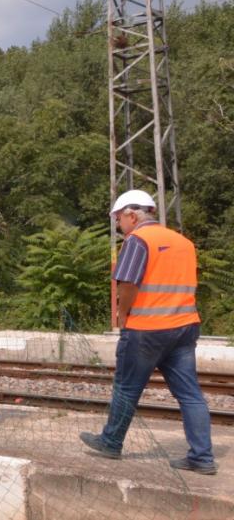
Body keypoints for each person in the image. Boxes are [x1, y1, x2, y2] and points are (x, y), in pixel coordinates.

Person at [79, 190, 216, 474]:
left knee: (126, 388)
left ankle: (111, 442)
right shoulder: (184, 242)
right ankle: (202, 457)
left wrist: (123, 314)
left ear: (132, 214)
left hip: (147, 330)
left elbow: (127, 284)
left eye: (118, 219)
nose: (118, 225)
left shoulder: (137, 240)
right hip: (184, 326)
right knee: (190, 394)